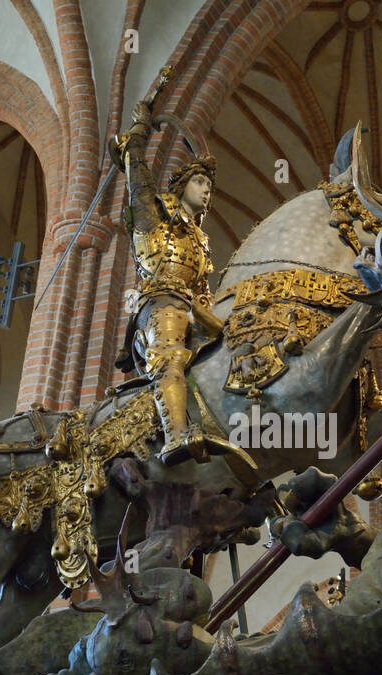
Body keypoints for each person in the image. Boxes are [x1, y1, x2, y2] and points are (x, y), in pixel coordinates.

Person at [111, 100, 238, 466]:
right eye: (200, 182)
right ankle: (175, 436)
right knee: (171, 358)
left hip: (192, 308)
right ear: (182, 186)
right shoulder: (156, 218)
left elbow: (203, 291)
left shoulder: (200, 242)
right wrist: (136, 137)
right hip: (160, 303)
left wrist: (215, 319)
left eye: (210, 186)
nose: (206, 190)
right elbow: (139, 184)